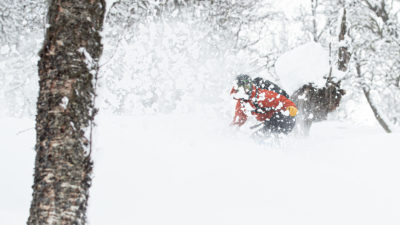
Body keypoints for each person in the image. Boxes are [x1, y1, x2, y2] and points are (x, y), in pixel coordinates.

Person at [230, 74, 298, 135]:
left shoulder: (261, 96)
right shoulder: (242, 102)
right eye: (244, 87)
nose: (247, 90)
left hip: (284, 119)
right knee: (258, 137)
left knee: (258, 138)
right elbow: (239, 119)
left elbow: (281, 100)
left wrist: (291, 107)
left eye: (248, 86)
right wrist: (230, 131)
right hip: (271, 122)